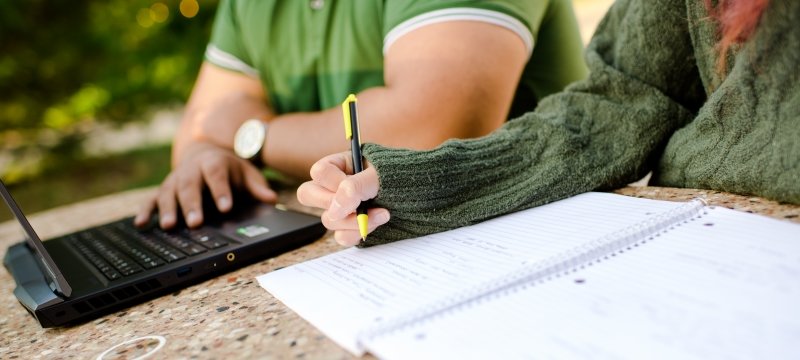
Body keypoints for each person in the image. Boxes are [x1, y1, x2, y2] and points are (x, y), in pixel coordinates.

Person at [297, 0, 800, 246]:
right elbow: (623, 97)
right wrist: (423, 183)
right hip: (687, 242)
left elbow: (427, 110)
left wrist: (250, 135)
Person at [134, 0, 588, 229]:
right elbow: (203, 124)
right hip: (365, 249)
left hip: (538, 236)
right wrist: (203, 161)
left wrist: (252, 136)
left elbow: (429, 130)